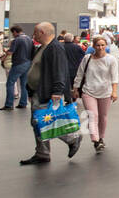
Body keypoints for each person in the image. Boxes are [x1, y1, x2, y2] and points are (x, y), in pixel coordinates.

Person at [21, 21, 83, 165]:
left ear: (42, 33)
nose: (33, 35)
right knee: (38, 122)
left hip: (47, 92)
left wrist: (57, 91)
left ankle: (71, 139)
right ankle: (42, 152)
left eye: (35, 32)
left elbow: (60, 71)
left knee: (41, 121)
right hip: (39, 91)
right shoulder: (43, 48)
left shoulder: (54, 48)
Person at [73, 35, 118, 153]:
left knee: (103, 117)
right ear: (93, 46)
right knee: (93, 115)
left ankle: (101, 137)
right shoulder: (87, 58)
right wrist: (76, 88)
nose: (100, 47)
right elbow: (80, 73)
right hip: (88, 91)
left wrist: (114, 91)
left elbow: (114, 77)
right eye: (98, 45)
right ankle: (96, 140)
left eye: (103, 45)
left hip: (105, 91)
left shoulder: (111, 60)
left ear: (106, 46)